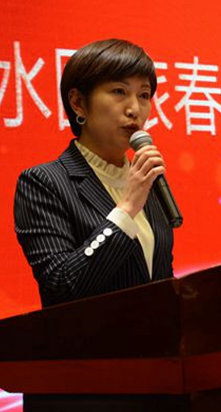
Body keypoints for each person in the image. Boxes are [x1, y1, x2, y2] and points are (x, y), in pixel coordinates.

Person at [13, 39, 173, 307]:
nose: (135, 109)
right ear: (78, 103)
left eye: (144, 95)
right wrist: (126, 209)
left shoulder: (146, 180)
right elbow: (60, 286)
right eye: (119, 91)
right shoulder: (44, 182)